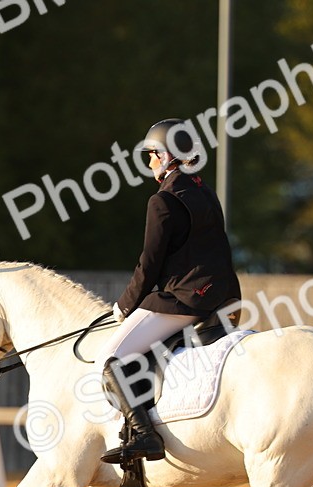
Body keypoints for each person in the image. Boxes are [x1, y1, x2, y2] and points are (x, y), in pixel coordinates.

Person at [95, 119, 241, 465]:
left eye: (151, 156)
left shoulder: (163, 200)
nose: (148, 164)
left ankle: (145, 435)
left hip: (188, 298)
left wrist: (124, 306)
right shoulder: (206, 193)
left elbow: (150, 264)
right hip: (226, 296)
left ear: (165, 155)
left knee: (111, 358)